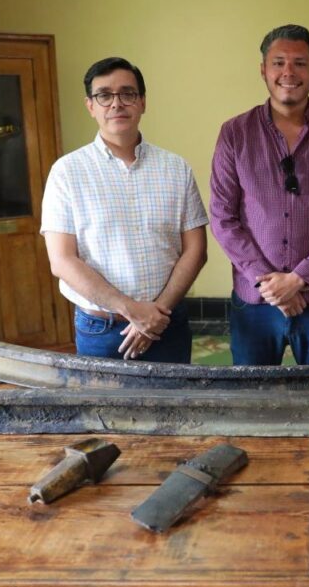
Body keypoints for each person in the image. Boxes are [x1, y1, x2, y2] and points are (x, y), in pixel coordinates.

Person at [210, 24, 309, 365]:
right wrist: (270, 285)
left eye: (299, 63)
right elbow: (223, 217)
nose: (288, 72)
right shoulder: (235, 133)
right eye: (278, 62)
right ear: (263, 69)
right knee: (254, 404)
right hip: (254, 300)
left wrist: (299, 278)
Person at [41, 57, 208, 363]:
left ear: (142, 102)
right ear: (90, 106)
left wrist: (155, 316)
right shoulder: (67, 172)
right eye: (104, 95)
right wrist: (132, 311)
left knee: (177, 409)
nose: (116, 103)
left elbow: (196, 251)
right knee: (106, 412)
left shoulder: (176, 168)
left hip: (167, 325)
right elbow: (62, 260)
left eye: (127, 93)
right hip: (101, 331)